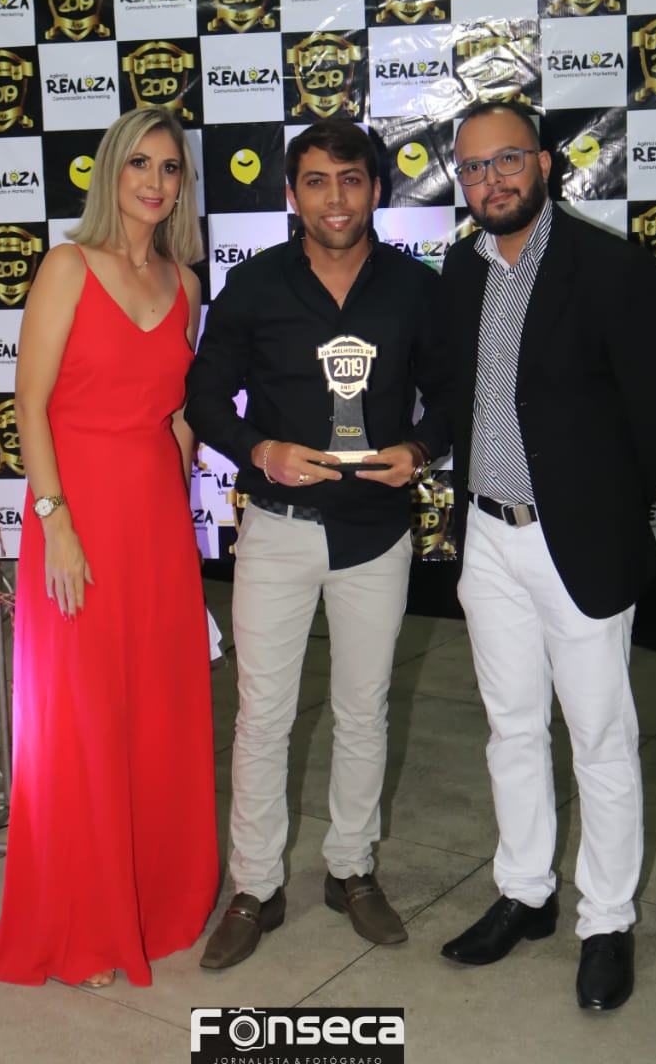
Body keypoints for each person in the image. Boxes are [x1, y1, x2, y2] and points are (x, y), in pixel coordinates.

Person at [438, 101, 656, 1010]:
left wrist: (601, 507)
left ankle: (606, 921)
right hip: (485, 536)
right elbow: (458, 394)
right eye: (473, 168)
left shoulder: (611, 268)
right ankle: (525, 893)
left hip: (575, 540)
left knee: (600, 738)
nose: (491, 181)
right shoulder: (460, 268)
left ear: (544, 163)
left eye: (507, 160)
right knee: (510, 727)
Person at [184, 118, 448, 969]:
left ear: (376, 188)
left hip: (374, 534)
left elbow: (452, 394)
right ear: (291, 193)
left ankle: (351, 870)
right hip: (277, 529)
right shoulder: (255, 285)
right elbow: (204, 396)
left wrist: (420, 448)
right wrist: (258, 449)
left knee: (363, 711)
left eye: (350, 179)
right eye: (316, 181)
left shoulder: (414, 288)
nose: (335, 198)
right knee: (262, 717)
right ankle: (255, 887)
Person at [0, 106, 218, 988]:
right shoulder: (67, 266)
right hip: (74, 521)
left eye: (170, 168)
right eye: (139, 164)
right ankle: (85, 919)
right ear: (112, 172)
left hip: (155, 522)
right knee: (80, 721)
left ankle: (149, 901)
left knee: (155, 710)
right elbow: (27, 403)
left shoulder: (186, 284)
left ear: (182, 186)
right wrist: (55, 522)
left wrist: (182, 509)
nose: (155, 181)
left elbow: (176, 413)